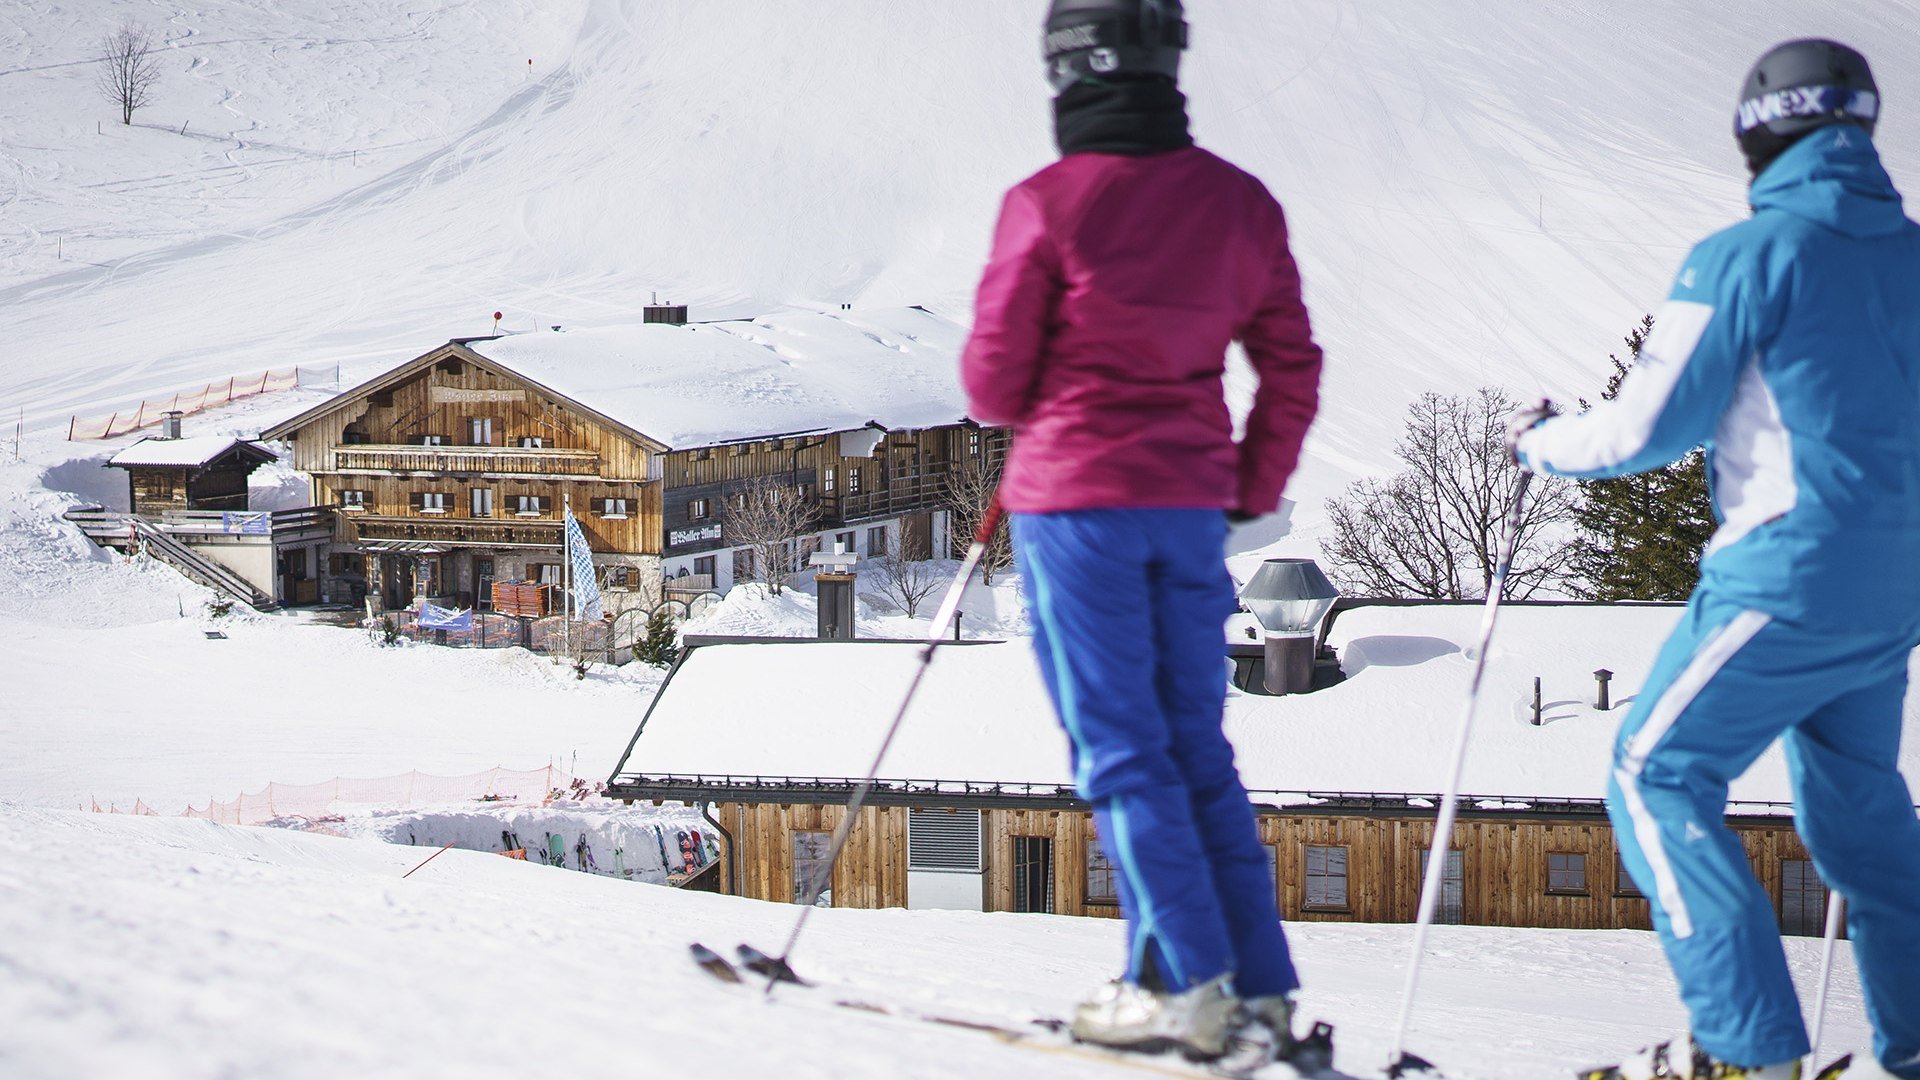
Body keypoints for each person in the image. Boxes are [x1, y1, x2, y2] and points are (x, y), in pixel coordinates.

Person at [1509, 39, 1920, 1080]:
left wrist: (1541, 439)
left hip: (1784, 576)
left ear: (1756, 133)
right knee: (1865, 817)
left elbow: (1646, 429)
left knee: (1656, 774)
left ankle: (1747, 1053)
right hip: (1891, 594)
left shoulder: (1746, 256)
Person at [959, 0, 1322, 1062]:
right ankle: (1254, 990)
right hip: (1189, 505)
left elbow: (989, 384)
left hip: (1078, 503)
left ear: (1064, 72)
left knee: (1121, 751)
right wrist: (1251, 485)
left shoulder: (1047, 203)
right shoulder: (1239, 203)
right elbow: (1291, 361)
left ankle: (1185, 990)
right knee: (1194, 750)